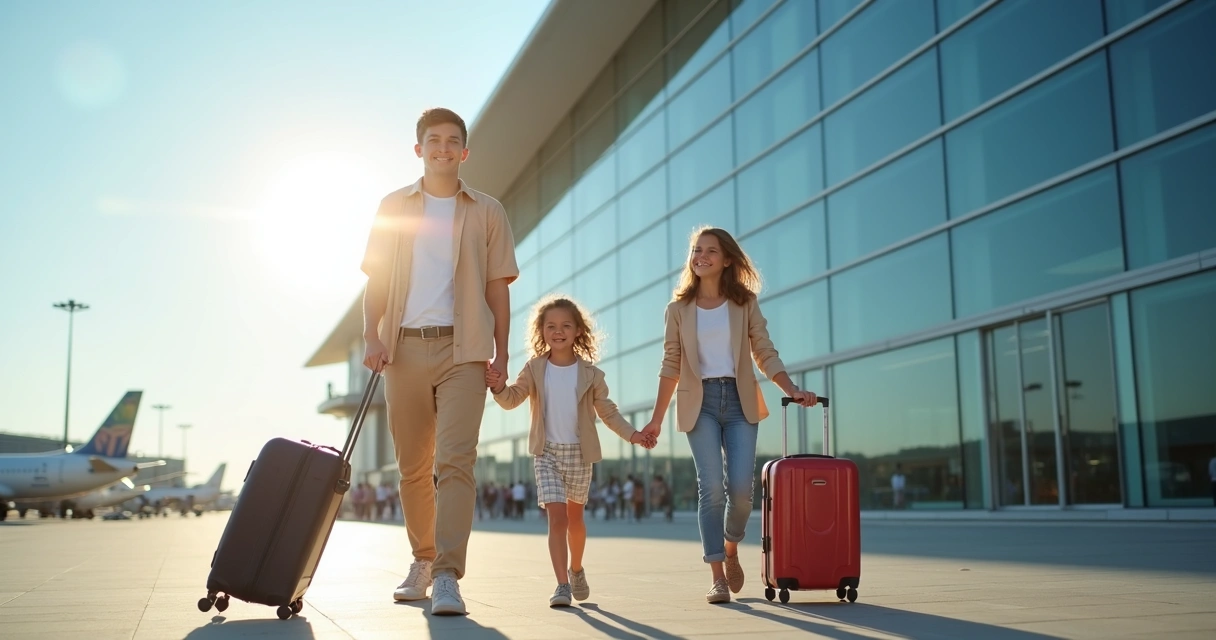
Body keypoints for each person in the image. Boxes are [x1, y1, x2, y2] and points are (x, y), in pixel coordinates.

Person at [361, 107, 518, 616]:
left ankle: (448, 575)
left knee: (456, 462)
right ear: (419, 149)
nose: (443, 147)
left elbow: (497, 285)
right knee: (412, 468)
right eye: (434, 140)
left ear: (465, 151)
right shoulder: (393, 206)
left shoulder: (488, 210)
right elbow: (377, 281)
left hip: (464, 351)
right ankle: (422, 560)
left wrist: (502, 348)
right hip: (403, 348)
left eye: (453, 140)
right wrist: (371, 335)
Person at [641, 226, 818, 605]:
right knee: (712, 488)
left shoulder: (744, 303)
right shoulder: (677, 310)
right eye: (695, 250)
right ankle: (717, 576)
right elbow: (671, 365)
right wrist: (656, 419)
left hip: (739, 401)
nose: (700, 256)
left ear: (726, 259)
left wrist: (791, 389)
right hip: (698, 402)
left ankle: (731, 544)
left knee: (741, 492)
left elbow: (764, 352)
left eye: (709, 250)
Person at [486, 296, 655, 606]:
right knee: (557, 519)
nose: (558, 331)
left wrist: (634, 435)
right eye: (550, 326)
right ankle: (562, 585)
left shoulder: (591, 374)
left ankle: (576, 568)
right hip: (546, 452)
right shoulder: (534, 368)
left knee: (575, 520)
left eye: (565, 325)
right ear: (542, 331)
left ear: (578, 330)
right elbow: (512, 399)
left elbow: (608, 412)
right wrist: (497, 386)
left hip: (579, 453)